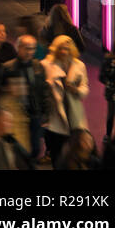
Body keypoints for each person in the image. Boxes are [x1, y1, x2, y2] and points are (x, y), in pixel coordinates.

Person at [1, 35, 50, 160]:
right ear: (18, 48)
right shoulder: (8, 68)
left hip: (35, 113)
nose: (30, 52)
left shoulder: (38, 67)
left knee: (36, 148)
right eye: (27, 48)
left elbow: (44, 91)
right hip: (16, 115)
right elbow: (0, 92)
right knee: (18, 147)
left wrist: (45, 112)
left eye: (33, 49)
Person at [41, 34, 89, 165]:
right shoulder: (47, 65)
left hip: (74, 112)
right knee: (57, 152)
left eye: (67, 49)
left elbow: (85, 87)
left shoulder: (80, 66)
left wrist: (76, 90)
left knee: (74, 152)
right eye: (61, 48)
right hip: (55, 114)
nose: (64, 51)